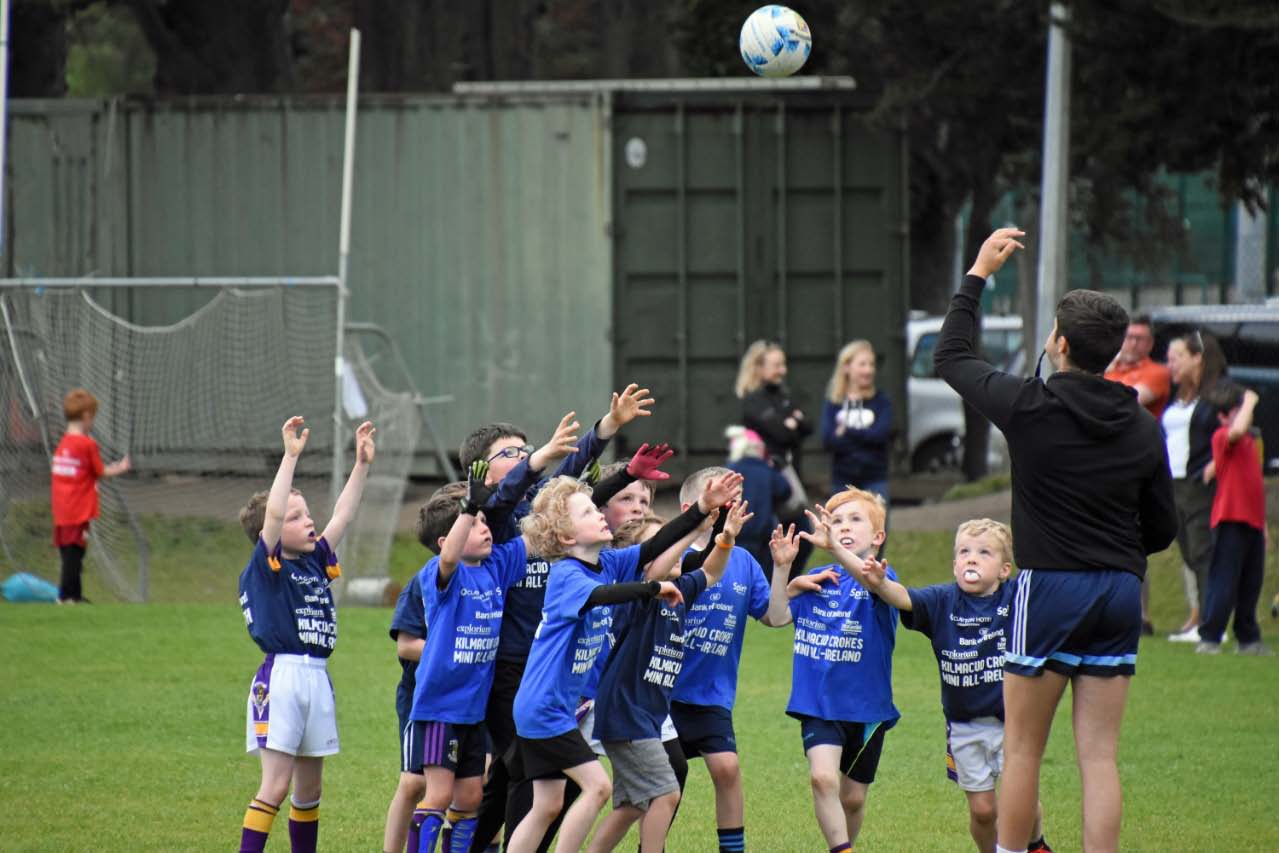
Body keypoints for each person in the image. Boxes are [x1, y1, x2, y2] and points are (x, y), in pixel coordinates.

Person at [935, 227, 1177, 853]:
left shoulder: (1028, 406)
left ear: (1061, 344)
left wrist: (978, 275)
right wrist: (1116, 555)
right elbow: (1163, 528)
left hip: (1048, 590)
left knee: (1022, 749)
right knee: (1099, 758)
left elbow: (952, 357)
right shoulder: (1144, 425)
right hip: (1121, 591)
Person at [505, 472, 741, 853]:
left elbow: (655, 546)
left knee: (547, 805)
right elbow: (602, 596)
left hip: (553, 709)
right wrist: (652, 587)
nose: (599, 514)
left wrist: (701, 509)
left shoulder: (609, 562)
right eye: (586, 512)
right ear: (567, 538)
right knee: (597, 787)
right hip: (544, 708)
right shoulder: (567, 574)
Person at [857, 518, 1052, 853]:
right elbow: (904, 598)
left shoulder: (1016, 598)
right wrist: (879, 585)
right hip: (963, 726)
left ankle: (1036, 845)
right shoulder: (943, 601)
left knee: (1021, 797)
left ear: (1005, 569)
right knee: (983, 810)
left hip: (1013, 723)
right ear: (954, 564)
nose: (971, 559)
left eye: (983, 553)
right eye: (964, 552)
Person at [236, 416, 376, 853]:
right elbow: (274, 513)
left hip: (317, 676)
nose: (309, 521)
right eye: (297, 517)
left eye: (307, 513)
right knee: (275, 786)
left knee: (309, 792)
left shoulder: (315, 560)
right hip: (282, 679)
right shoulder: (267, 566)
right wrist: (290, 457)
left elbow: (344, 515)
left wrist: (361, 466)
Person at [587, 501, 754, 853]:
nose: (673, 551)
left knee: (632, 804)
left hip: (644, 717)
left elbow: (710, 574)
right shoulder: (638, 597)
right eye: (662, 544)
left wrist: (724, 540)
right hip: (626, 713)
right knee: (665, 793)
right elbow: (651, 576)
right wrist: (691, 529)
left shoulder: (677, 595)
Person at [403, 462, 542, 853]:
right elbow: (449, 559)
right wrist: (468, 507)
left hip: (473, 712)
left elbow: (535, 538)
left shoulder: (496, 567)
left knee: (468, 800)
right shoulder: (440, 574)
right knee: (438, 795)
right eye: (475, 523)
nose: (485, 528)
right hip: (440, 710)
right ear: (447, 538)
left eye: (484, 521)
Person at [666, 467, 793, 853]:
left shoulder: (744, 561)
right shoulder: (671, 557)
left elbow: (775, 617)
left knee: (727, 768)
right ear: (691, 508)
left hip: (710, 696)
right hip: (662, 693)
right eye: (718, 499)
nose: (727, 507)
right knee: (666, 786)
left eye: (732, 499)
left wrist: (783, 566)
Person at [774, 488, 898, 853]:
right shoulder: (816, 576)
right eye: (837, 520)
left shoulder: (881, 576)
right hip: (818, 704)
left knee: (853, 799)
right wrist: (785, 575)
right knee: (823, 779)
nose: (844, 527)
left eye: (855, 520)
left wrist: (835, 551)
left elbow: (870, 581)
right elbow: (778, 616)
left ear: (878, 537)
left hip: (867, 708)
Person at [1195, 382, 1270, 656]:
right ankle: (1210, 636)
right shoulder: (1224, 435)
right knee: (1224, 580)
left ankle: (1247, 638)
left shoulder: (1250, 442)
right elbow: (1236, 431)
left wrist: (1264, 528)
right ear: (1224, 416)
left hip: (1252, 521)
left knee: (1252, 582)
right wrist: (1250, 399)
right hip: (1230, 519)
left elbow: (1254, 485)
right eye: (1239, 411)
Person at [1162, 331, 1228, 641]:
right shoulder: (1177, 398)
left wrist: (1216, 464)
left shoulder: (1215, 397)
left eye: (1177, 358)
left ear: (1197, 359)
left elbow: (1240, 430)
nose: (1170, 364)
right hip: (1172, 482)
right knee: (1188, 550)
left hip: (1198, 484)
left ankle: (1211, 625)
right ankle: (1203, 617)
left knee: (1203, 551)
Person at [736, 340, 814, 573]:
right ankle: (766, 589)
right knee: (767, 539)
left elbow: (807, 426)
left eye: (783, 364)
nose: (783, 370)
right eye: (777, 365)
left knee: (803, 536)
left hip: (785, 478)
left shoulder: (782, 396)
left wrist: (792, 424)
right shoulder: (752, 401)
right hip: (763, 484)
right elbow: (782, 432)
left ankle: (786, 585)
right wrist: (790, 423)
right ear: (759, 368)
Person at [49, 388, 131, 603]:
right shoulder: (87, 444)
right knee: (74, 553)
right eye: (93, 417)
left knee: (68, 550)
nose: (92, 421)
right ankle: (66, 596)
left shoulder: (63, 443)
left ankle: (74, 595)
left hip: (61, 507)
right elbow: (101, 472)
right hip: (77, 508)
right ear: (86, 416)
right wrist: (120, 467)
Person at [382, 570, 427, 853]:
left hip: (473, 695)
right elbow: (406, 646)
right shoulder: (423, 581)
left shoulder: (493, 575)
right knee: (414, 783)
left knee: (476, 786)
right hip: (421, 695)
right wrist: (453, 651)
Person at [821, 340, 894, 502]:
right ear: (846, 367)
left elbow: (880, 436)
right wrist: (865, 437)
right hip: (842, 479)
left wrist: (846, 430)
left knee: (876, 525)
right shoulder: (834, 403)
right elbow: (828, 441)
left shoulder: (881, 401)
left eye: (871, 365)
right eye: (862, 364)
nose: (868, 370)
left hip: (875, 477)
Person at [724, 425, 791, 575]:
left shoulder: (731, 469)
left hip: (735, 532)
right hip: (762, 533)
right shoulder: (766, 470)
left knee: (736, 573)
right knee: (761, 574)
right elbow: (785, 491)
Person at [1103, 314, 1171, 419]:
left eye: (1139, 339)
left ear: (1150, 343)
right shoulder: (1109, 367)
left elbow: (1125, 403)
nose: (1133, 344)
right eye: (1129, 337)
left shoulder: (1158, 372)